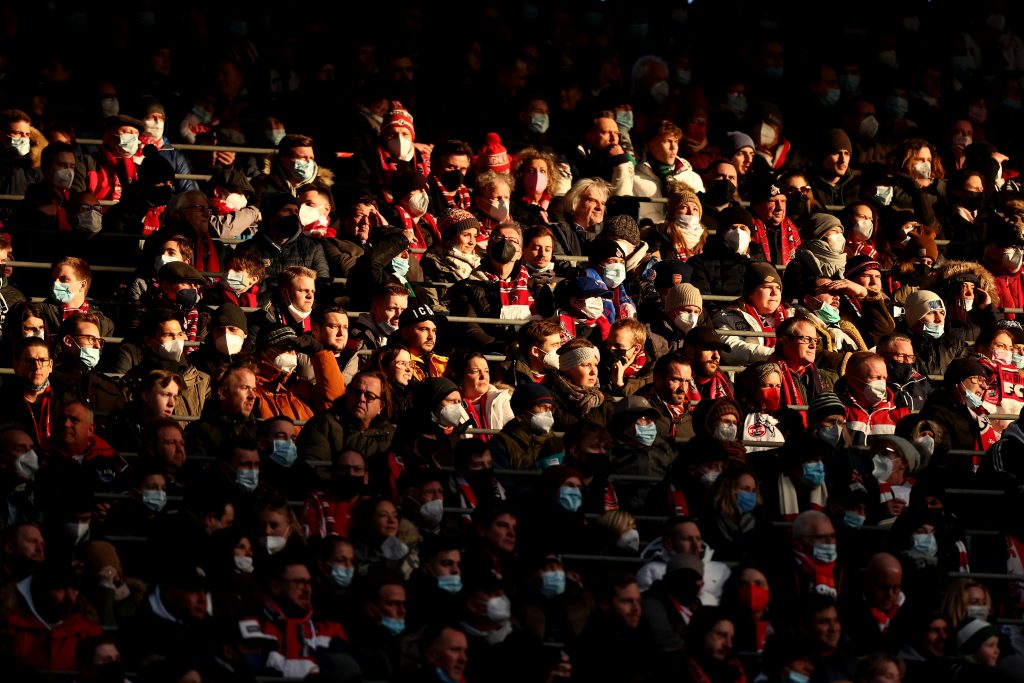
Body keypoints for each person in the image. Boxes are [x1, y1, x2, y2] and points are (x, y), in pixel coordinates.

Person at [689, 206, 768, 298]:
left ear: (750, 236)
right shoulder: (700, 263)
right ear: (721, 233)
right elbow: (703, 298)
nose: (738, 232)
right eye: (733, 228)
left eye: (743, 228)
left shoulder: (763, 264)